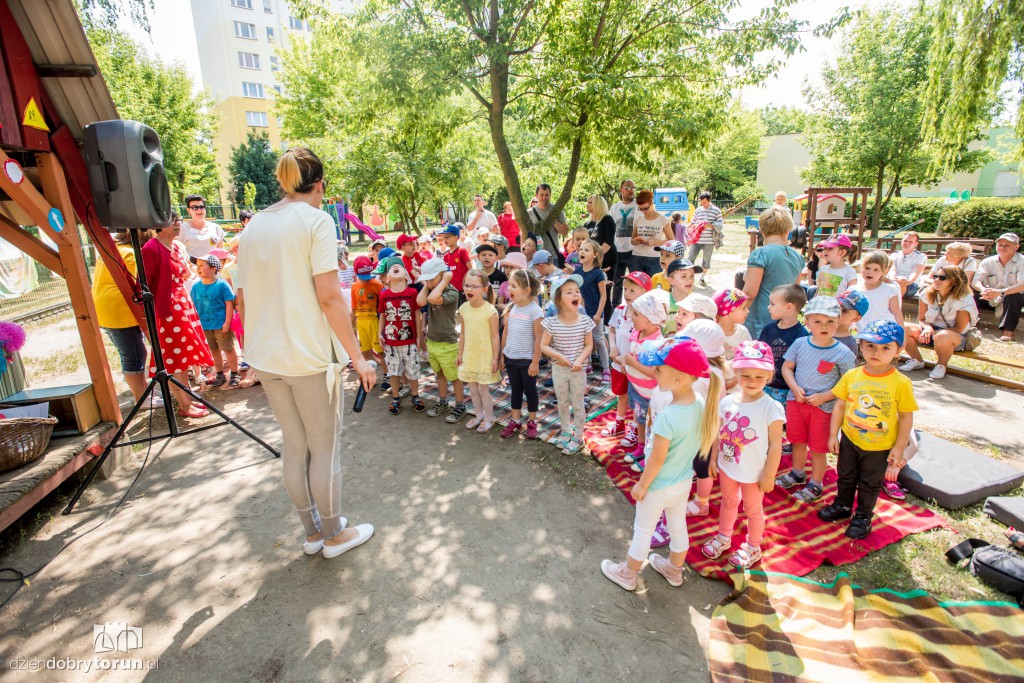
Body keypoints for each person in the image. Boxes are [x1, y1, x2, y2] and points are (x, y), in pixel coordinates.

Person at [236, 147, 376, 559]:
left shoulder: (255, 225)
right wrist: (358, 357)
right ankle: (333, 535)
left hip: (266, 354)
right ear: (320, 185)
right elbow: (330, 297)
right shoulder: (316, 221)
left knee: (295, 447)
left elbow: (243, 298)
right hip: (308, 356)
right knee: (324, 449)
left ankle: (314, 532)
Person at [600, 337, 721, 591]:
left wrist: (642, 485)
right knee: (678, 527)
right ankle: (674, 570)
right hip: (683, 482)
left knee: (643, 530)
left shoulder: (668, 416)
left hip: (657, 485)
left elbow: (657, 459)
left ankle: (628, 573)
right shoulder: (701, 404)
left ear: (679, 377)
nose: (653, 373)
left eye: (658, 369)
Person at [820, 321, 918, 539]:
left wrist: (899, 447)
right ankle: (843, 505)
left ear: (898, 351)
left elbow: (906, 416)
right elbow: (840, 405)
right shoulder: (852, 375)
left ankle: (863, 516)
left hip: (879, 446)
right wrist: (833, 434)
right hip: (850, 439)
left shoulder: (901, 383)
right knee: (845, 476)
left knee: (869, 484)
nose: (876, 352)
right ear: (861, 346)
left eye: (885, 347)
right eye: (870, 345)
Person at [701, 341, 785, 569]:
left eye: (759, 377)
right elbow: (719, 432)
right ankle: (723, 536)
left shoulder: (771, 407)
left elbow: (776, 444)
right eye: (745, 375)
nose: (751, 381)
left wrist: (769, 474)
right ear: (735, 373)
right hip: (728, 466)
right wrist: (713, 458)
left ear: (769, 376)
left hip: (754, 473)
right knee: (728, 501)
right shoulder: (727, 402)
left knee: (753, 509)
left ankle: (753, 546)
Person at [777, 296, 856, 503]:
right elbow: (787, 367)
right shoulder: (799, 344)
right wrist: (795, 387)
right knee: (797, 441)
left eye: (830, 321)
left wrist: (825, 396)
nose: (824, 326)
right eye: (818, 321)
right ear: (807, 322)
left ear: (838, 322)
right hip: (796, 402)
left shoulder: (843, 353)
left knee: (818, 448)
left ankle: (816, 483)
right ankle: (797, 472)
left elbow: (849, 383)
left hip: (824, 408)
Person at [141, 213, 214, 419]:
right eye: (172, 221)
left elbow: (185, 273)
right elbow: (143, 284)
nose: (177, 225)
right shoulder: (151, 249)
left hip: (182, 307)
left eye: (178, 221)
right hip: (168, 311)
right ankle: (184, 404)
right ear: (158, 225)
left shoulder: (174, 246)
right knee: (173, 359)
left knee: (183, 358)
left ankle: (187, 399)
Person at [91, 230, 159, 407]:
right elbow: (140, 283)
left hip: (107, 309)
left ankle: (143, 392)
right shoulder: (131, 254)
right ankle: (141, 399)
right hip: (120, 309)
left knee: (134, 352)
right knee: (134, 355)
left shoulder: (114, 250)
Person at [540, 275, 595, 455]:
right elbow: (544, 346)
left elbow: (589, 345)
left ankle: (578, 436)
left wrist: (579, 360)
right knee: (562, 402)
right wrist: (559, 356)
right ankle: (565, 431)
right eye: (569, 292)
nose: (575, 294)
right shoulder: (551, 322)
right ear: (558, 300)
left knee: (578, 403)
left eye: (577, 291)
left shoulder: (585, 321)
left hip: (578, 370)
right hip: (559, 369)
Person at [614, 290, 669, 458]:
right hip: (635, 386)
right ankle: (641, 446)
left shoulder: (657, 343)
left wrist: (633, 364)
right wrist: (625, 362)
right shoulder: (637, 333)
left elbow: (655, 373)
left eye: (636, 314)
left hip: (648, 393)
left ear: (650, 319)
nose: (631, 317)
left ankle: (649, 451)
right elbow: (634, 353)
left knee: (649, 421)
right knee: (639, 417)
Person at [415, 259, 468, 424]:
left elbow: (432, 299)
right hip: (432, 341)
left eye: (432, 279)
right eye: (427, 279)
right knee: (439, 374)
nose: (429, 282)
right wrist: (427, 284)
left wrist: (445, 280)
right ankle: (443, 401)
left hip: (448, 343)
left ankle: (460, 405)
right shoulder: (431, 289)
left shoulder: (452, 292)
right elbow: (420, 302)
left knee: (455, 377)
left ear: (444, 275)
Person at [901, 266, 979, 380]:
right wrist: (928, 329)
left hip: (955, 336)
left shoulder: (964, 300)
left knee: (942, 336)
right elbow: (922, 319)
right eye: (935, 276)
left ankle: (941, 365)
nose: (936, 280)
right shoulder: (927, 293)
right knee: (903, 327)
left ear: (954, 281)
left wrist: (936, 334)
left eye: (942, 278)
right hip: (932, 331)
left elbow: (959, 328)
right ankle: (917, 360)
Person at [742, 205, 804, 339]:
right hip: (784, 321)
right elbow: (795, 291)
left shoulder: (761, 254)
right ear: (788, 230)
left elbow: (750, 293)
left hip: (759, 322)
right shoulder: (798, 257)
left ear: (762, 230)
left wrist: (736, 315)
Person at [603, 271, 651, 443]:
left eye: (632, 290)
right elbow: (612, 330)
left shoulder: (645, 319)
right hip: (618, 364)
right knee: (621, 394)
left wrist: (629, 360)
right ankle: (619, 423)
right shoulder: (619, 310)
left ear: (645, 294)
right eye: (625, 289)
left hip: (635, 367)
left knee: (637, 399)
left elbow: (642, 343)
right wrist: (613, 346)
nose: (627, 294)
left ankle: (634, 428)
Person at [499, 268, 544, 439]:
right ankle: (515, 420)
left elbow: (539, 338)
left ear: (527, 290)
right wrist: (502, 355)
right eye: (509, 285)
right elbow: (505, 333)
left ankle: (532, 422)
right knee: (515, 390)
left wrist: (535, 362)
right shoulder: (511, 308)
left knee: (530, 391)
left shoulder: (535, 311)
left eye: (514, 286)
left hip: (527, 360)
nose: (509, 289)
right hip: (511, 358)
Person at [378, 257, 424, 415]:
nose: (396, 267)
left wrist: (418, 336)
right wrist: (379, 333)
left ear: (406, 275)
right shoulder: (384, 295)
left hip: (409, 341)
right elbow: (383, 315)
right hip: (391, 343)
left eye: (399, 266)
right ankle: (396, 397)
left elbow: (417, 315)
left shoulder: (412, 292)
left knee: (412, 370)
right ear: (387, 278)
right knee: (394, 371)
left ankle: (415, 396)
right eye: (392, 267)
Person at [459, 270, 502, 433]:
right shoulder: (463, 308)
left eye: (475, 286)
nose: (469, 289)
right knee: (472, 389)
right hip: (470, 355)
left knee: (483, 389)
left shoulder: (490, 311)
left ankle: (489, 418)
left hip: (485, 356)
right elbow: (462, 333)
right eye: (467, 285)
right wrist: (460, 353)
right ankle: (479, 415)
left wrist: (495, 358)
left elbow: (495, 337)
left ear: (484, 289)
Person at [190, 254, 240, 389]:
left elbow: (229, 303)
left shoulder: (221, 285)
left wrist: (227, 322)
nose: (198, 268)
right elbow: (193, 305)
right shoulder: (195, 287)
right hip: (205, 326)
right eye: (197, 265)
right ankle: (220, 374)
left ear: (213, 269)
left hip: (220, 324)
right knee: (214, 350)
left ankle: (234, 373)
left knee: (228, 349)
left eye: (202, 265)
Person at [758, 284, 809, 407]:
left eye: (773, 304)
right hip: (764, 385)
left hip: (787, 391)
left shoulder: (802, 335)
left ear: (789, 307)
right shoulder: (768, 329)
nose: (768, 307)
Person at [972, 232, 1024, 343]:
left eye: (1007, 245)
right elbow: (976, 281)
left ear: (1017, 247)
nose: (1002, 247)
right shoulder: (988, 261)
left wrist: (1000, 292)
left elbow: (1022, 285)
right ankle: (968, 324)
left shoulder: (1022, 261)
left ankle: (1008, 331)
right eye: (1000, 245)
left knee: (1014, 295)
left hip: (1012, 298)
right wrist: (983, 290)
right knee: (971, 291)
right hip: (991, 296)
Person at [571, 239, 609, 379]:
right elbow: (577, 293)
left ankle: (606, 369)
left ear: (595, 255)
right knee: (584, 340)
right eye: (581, 249)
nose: (582, 252)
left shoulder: (598, 273)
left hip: (596, 312)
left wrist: (598, 313)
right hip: (582, 312)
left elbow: (604, 296)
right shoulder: (577, 272)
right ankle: (588, 364)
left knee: (598, 339)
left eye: (586, 250)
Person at [351, 255, 386, 377]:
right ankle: (368, 377)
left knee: (381, 351)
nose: (366, 279)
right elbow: (354, 308)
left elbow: (383, 307)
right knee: (365, 352)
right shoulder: (354, 287)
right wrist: (350, 325)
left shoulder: (377, 285)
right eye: (363, 276)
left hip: (374, 321)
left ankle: (386, 376)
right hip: (361, 322)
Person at [850, 250, 902, 329]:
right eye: (867, 268)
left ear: (883, 272)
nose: (870, 272)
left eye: (876, 270)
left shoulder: (890, 290)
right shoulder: (853, 290)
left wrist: (902, 334)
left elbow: (897, 314)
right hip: (860, 332)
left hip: (883, 332)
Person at [609, 180, 638, 316]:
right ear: (621, 190)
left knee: (634, 282)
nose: (631, 190)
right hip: (617, 250)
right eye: (628, 187)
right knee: (617, 282)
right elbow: (610, 228)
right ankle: (615, 309)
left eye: (633, 188)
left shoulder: (638, 206)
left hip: (634, 250)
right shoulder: (615, 208)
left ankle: (636, 308)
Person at [630, 190, 674, 276]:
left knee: (654, 283)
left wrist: (656, 242)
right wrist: (635, 241)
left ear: (652, 203)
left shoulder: (663, 220)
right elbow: (632, 240)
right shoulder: (638, 220)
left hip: (654, 258)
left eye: (645, 208)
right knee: (636, 284)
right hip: (637, 257)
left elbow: (672, 241)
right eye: (640, 209)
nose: (643, 211)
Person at [687, 191, 724, 286]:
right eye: (701, 202)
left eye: (705, 202)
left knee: (706, 260)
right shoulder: (698, 210)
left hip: (709, 241)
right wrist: (686, 228)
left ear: (709, 200)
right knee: (690, 258)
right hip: (696, 240)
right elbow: (692, 222)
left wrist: (710, 226)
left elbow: (720, 225)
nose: (703, 204)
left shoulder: (716, 210)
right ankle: (689, 278)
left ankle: (702, 278)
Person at [528, 184, 570, 267]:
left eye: (546, 195)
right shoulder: (529, 213)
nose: (544, 198)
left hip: (552, 257)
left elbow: (564, 232)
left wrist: (553, 219)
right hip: (535, 257)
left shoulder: (557, 210)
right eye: (541, 195)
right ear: (536, 195)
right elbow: (524, 235)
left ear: (550, 195)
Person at [661, 258, 702, 334]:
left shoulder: (696, 302)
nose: (689, 280)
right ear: (671, 281)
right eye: (684, 276)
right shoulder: (663, 302)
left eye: (692, 276)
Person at [812, 234, 858, 298]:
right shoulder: (823, 269)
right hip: (819, 303)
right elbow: (818, 291)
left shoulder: (850, 272)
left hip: (838, 304)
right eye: (825, 248)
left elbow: (851, 294)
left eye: (830, 248)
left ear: (842, 252)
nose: (825, 251)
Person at [179, 194, 224, 259]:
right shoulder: (182, 229)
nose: (199, 210)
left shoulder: (216, 228)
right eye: (194, 208)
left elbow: (221, 253)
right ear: (188, 210)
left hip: (213, 265)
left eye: (201, 207)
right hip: (191, 265)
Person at [714, 288, 752, 359]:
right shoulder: (712, 333)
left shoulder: (742, 332)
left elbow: (750, 355)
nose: (748, 311)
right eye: (743, 308)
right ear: (726, 314)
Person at [889, 231, 928, 299]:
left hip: (911, 284)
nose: (907, 243)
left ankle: (895, 304)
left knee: (900, 284)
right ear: (901, 241)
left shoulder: (921, 256)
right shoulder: (893, 255)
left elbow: (915, 272)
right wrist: (893, 279)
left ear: (916, 244)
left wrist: (907, 281)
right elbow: (892, 269)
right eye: (905, 241)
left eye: (910, 242)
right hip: (895, 282)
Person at [439, 224, 472, 294]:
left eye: (447, 237)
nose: (445, 239)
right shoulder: (446, 256)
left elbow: (470, 269)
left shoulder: (462, 251)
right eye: (444, 237)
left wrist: (469, 285)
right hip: (451, 291)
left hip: (462, 290)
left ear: (456, 238)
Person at [835, 290, 869, 355]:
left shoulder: (850, 344)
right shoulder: (819, 328)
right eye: (836, 307)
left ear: (856, 318)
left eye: (844, 311)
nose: (838, 312)